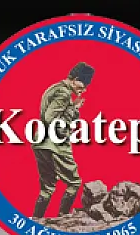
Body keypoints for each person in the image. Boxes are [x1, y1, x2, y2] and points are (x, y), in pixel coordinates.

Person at [31, 62, 93, 219]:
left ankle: (36, 220)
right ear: (76, 79)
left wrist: (72, 108)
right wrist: (74, 109)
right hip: (55, 144)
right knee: (74, 182)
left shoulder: (54, 88)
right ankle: (63, 218)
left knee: (47, 187)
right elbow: (50, 119)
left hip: (41, 142)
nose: (84, 89)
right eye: (84, 84)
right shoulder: (64, 93)